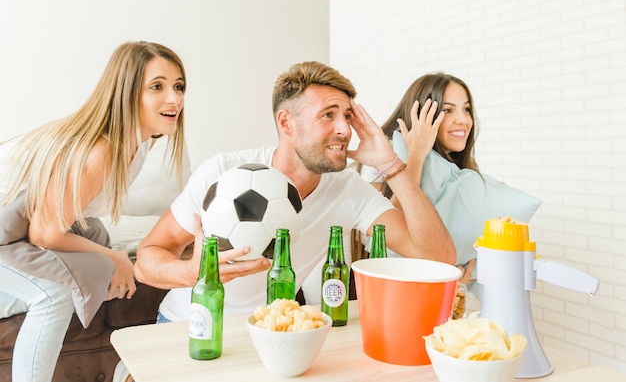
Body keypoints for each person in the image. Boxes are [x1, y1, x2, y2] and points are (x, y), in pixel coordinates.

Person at [134, 61, 455, 323]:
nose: (344, 129)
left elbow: (439, 258)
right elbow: (148, 257)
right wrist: (192, 271)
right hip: (189, 325)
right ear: (286, 123)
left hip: (272, 329)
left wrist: (391, 164)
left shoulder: (347, 189)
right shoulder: (221, 173)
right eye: (328, 115)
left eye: (347, 116)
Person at [0, 41, 187, 382]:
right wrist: (114, 258)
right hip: (6, 231)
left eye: (178, 86)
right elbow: (45, 233)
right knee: (54, 295)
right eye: (157, 87)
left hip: (18, 226)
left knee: (95, 233)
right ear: (126, 93)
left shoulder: (138, 143)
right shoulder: (101, 149)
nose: (174, 99)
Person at [363, 72, 479, 284]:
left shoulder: (456, 168)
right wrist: (416, 154)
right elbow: (384, 231)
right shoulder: (383, 152)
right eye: (447, 110)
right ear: (422, 117)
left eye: (466, 109)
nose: (463, 120)